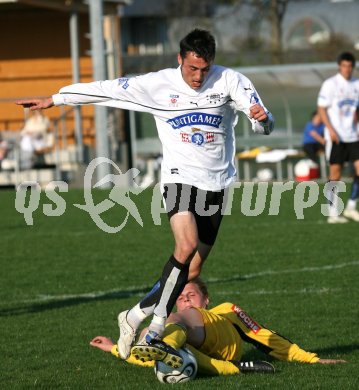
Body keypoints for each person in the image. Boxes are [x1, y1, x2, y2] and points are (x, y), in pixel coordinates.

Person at [16, 29, 274, 360]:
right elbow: (107, 90)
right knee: (186, 246)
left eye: (204, 70)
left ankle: (133, 316)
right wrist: (57, 98)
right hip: (179, 178)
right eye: (192, 68)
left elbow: (262, 118)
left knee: (192, 271)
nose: (198, 76)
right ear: (180, 59)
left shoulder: (231, 81)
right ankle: (155, 326)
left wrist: (262, 121)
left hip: (218, 184)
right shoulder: (158, 85)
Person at [90, 278, 345, 377]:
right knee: (157, 333)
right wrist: (114, 348)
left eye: (191, 294)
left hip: (223, 345)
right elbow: (145, 359)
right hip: (193, 351)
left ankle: (163, 347)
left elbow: (264, 337)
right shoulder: (173, 323)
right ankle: (175, 357)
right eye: (179, 297)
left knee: (158, 330)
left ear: (206, 299)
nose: (185, 299)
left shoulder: (226, 310)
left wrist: (312, 359)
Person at [317, 51, 359, 224]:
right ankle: (333, 212)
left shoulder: (357, 84)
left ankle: (350, 206)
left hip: (353, 136)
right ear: (339, 66)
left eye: (350, 66)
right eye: (344, 66)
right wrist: (330, 130)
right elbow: (321, 108)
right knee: (336, 175)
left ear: (353, 67)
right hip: (336, 137)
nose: (347, 69)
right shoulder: (330, 84)